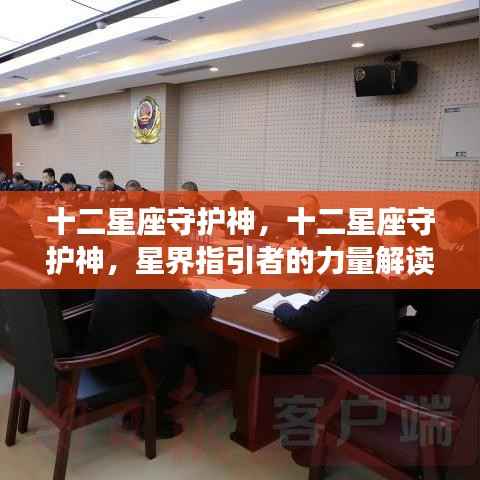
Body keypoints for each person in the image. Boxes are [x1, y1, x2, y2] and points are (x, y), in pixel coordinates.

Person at [87, 241, 216, 439]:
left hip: (98, 354)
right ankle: (152, 420)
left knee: (174, 329)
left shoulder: (120, 256)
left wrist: (174, 285)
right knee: (182, 342)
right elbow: (193, 308)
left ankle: (160, 399)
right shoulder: (152, 266)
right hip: (125, 364)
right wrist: (205, 293)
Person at [273, 235, 399, 376]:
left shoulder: (342, 285)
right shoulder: (381, 282)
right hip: (384, 371)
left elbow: (301, 320)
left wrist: (281, 306)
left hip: (354, 377)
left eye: (340, 250)